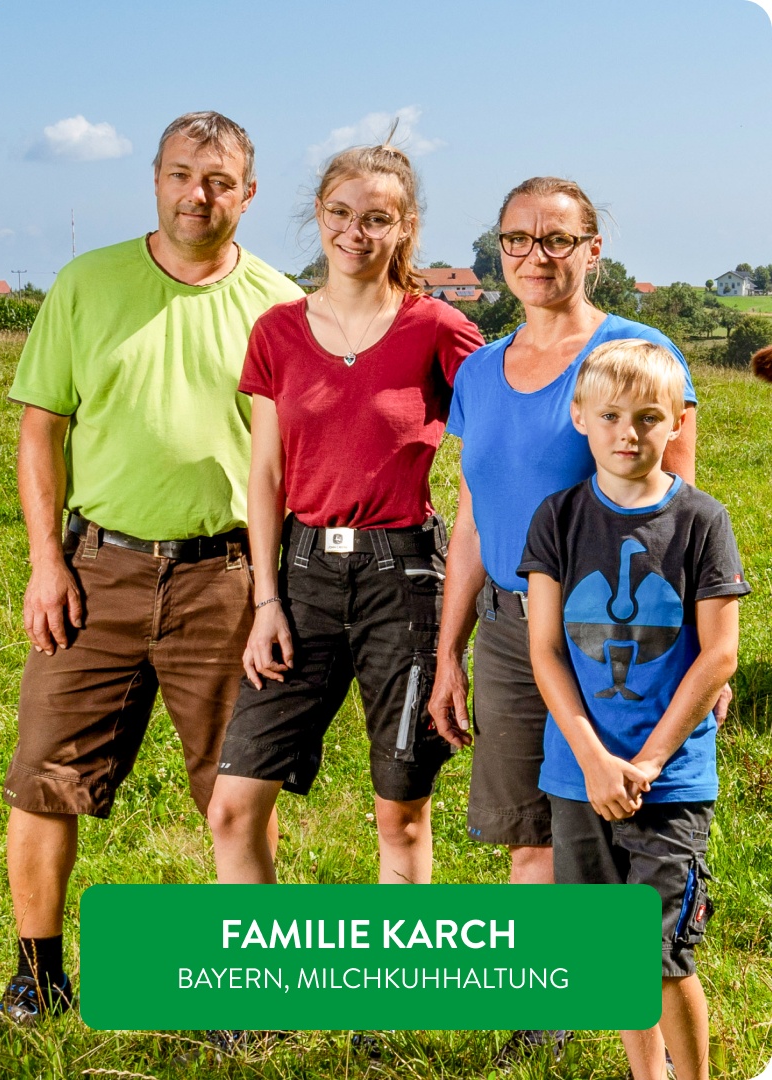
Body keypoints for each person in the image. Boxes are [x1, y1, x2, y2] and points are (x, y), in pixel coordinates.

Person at [0, 111, 302, 1023]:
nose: (195, 195)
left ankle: (249, 990)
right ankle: (37, 976)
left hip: (227, 579)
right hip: (98, 573)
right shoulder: (87, 285)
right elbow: (40, 431)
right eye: (178, 175)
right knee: (44, 778)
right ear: (156, 180)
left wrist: (274, 592)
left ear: (247, 194)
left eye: (216, 181)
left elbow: (288, 464)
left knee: (238, 790)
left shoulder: (281, 309)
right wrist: (46, 563)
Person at [427, 176, 697, 1070]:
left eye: (555, 240)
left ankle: (651, 986)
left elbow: (681, 512)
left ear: (592, 250)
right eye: (516, 240)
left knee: (620, 814)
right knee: (527, 828)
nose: (533, 257)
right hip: (512, 625)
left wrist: (703, 656)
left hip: (615, 632)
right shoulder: (479, 369)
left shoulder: (638, 351)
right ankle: (548, 1005)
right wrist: (449, 651)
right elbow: (472, 515)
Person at [207, 135, 484, 888]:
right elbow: (263, 475)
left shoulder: (438, 328)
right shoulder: (278, 332)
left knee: (401, 811)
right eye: (339, 213)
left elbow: (504, 425)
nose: (354, 233)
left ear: (405, 228)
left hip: (405, 575)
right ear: (318, 215)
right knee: (233, 805)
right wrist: (265, 601)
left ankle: (400, 986)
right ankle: (258, 996)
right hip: (299, 578)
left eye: (376, 219)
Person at [520, 339, 749, 1080]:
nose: (629, 433)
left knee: (661, 956)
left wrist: (647, 761)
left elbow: (718, 654)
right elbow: (546, 649)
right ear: (580, 418)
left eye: (649, 417)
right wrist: (593, 759)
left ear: (676, 422)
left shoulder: (701, 521)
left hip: (669, 780)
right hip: (580, 774)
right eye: (611, 415)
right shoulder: (557, 518)